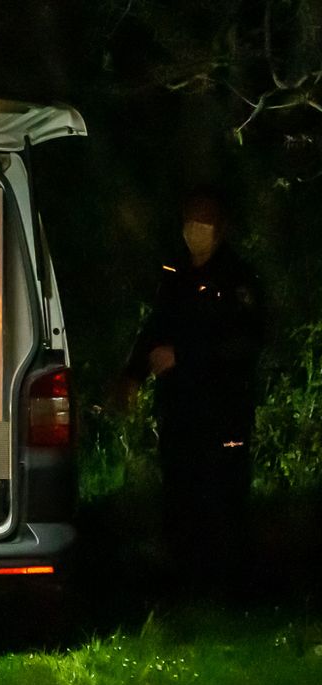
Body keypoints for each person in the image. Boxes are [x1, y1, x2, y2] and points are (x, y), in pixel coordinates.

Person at [124, 190, 263, 596]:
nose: (194, 231)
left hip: (223, 409)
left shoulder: (237, 278)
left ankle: (229, 580)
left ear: (219, 228)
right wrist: (132, 375)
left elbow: (245, 341)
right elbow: (156, 328)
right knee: (180, 489)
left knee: (222, 491)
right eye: (189, 222)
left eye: (202, 223)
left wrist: (184, 355)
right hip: (180, 408)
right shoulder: (177, 274)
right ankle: (182, 578)